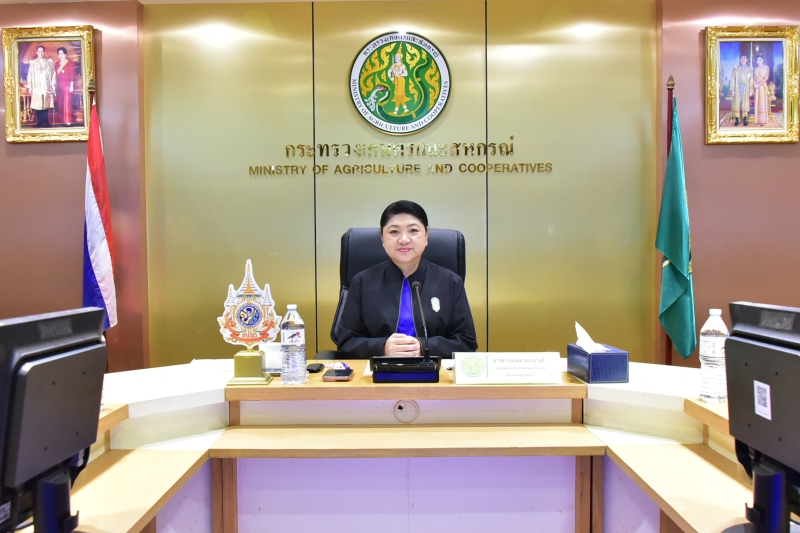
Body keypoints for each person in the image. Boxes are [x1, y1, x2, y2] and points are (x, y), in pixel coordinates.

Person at [336, 200, 478, 359]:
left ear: (426, 236)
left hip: (435, 372)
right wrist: (382, 348)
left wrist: (424, 347)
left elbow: (466, 342)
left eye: (413, 230)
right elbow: (346, 343)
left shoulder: (450, 282)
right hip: (378, 372)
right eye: (394, 232)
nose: (404, 239)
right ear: (382, 238)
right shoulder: (362, 282)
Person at [26, 45, 56, 128]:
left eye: (42, 51)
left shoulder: (49, 62)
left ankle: (46, 122)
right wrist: (30, 87)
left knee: (46, 104)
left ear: (44, 52)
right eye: (39, 51)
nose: (41, 53)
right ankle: (39, 123)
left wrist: (53, 85)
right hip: (37, 87)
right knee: (38, 105)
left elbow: (53, 74)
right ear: (37, 52)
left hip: (46, 87)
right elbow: (30, 75)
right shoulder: (33, 63)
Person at [728, 54, 753, 127]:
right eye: (742, 58)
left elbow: (751, 80)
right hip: (737, 88)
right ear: (739, 59)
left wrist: (751, 90)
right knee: (737, 103)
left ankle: (745, 119)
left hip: (746, 88)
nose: (743, 60)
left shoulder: (749, 69)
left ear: (747, 60)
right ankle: (737, 119)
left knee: (745, 103)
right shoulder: (736, 69)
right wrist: (732, 89)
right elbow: (732, 79)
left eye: (744, 58)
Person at [54, 47, 78, 126]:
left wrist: (71, 86)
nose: (60, 55)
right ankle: (62, 120)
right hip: (59, 86)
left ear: (65, 54)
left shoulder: (70, 63)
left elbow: (72, 75)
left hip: (67, 86)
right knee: (60, 104)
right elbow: (55, 76)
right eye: (59, 54)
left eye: (62, 53)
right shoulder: (56, 64)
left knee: (67, 104)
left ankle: (68, 121)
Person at [753, 55, 770, 126]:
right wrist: (755, 84)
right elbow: (754, 78)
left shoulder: (766, 67)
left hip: (762, 86)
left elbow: (766, 78)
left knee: (762, 101)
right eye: (757, 60)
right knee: (757, 101)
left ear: (763, 60)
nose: (759, 61)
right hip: (757, 87)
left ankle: (763, 121)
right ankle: (758, 120)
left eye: (760, 59)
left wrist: (758, 84)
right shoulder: (755, 68)